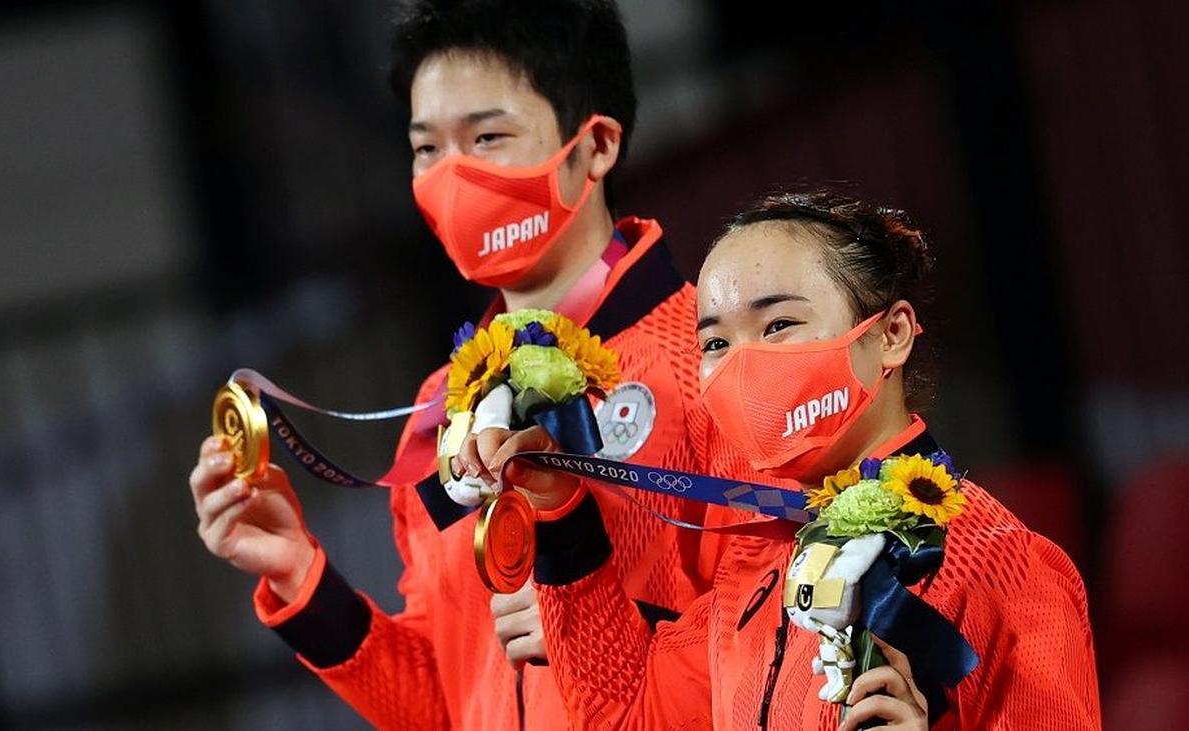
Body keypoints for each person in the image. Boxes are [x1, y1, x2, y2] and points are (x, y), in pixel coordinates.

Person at [187, 1, 728, 727]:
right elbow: (449, 702)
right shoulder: (443, 406)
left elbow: (791, 638)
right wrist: (298, 572)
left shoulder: (712, 361)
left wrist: (602, 625)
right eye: (426, 150)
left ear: (594, 146)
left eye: (488, 137)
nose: (453, 177)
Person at [483, 191, 1101, 729]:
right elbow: (626, 717)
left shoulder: (999, 565)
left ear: (892, 335)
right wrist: (562, 518)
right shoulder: (753, 573)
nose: (743, 365)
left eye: (779, 324)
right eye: (717, 342)